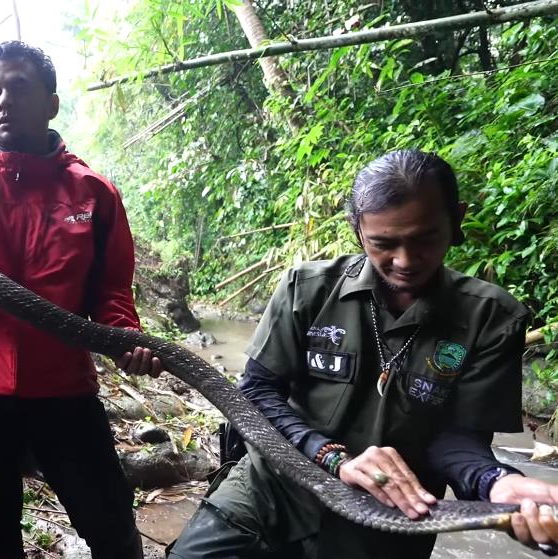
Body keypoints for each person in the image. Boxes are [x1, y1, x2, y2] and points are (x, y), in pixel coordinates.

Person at [165, 149, 558, 558]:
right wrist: (333, 458)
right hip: (271, 490)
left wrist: (496, 482)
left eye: (424, 239)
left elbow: (458, 440)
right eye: (383, 243)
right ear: (357, 229)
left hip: (388, 516)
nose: (405, 261)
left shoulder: (491, 318)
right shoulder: (307, 289)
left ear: (456, 220)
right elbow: (256, 394)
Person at [0, 41, 162, 559]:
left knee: (110, 525)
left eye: (19, 88)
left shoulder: (93, 194)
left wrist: (124, 338)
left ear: (51, 103)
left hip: (64, 389)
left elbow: (110, 293)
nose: (3, 101)